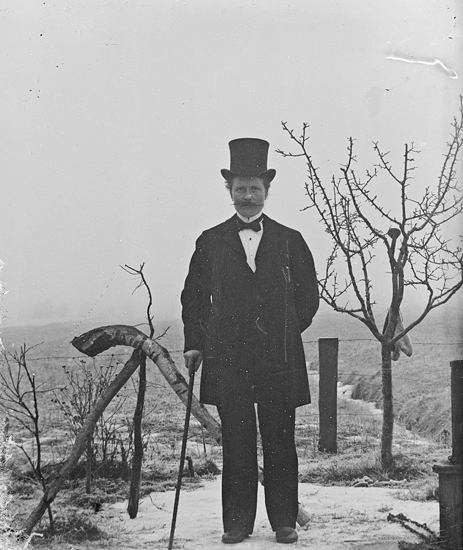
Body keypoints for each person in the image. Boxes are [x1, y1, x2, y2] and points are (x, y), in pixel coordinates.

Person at [181, 138, 319, 545]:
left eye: (254, 188)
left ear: (266, 190)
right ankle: (237, 523)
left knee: (281, 440)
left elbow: (309, 299)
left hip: (279, 358)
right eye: (240, 188)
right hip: (228, 358)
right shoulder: (210, 241)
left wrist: (283, 331)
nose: (247, 195)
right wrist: (195, 343)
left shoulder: (291, 240)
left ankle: (284, 521)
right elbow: (194, 298)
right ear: (230, 190)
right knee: (237, 442)